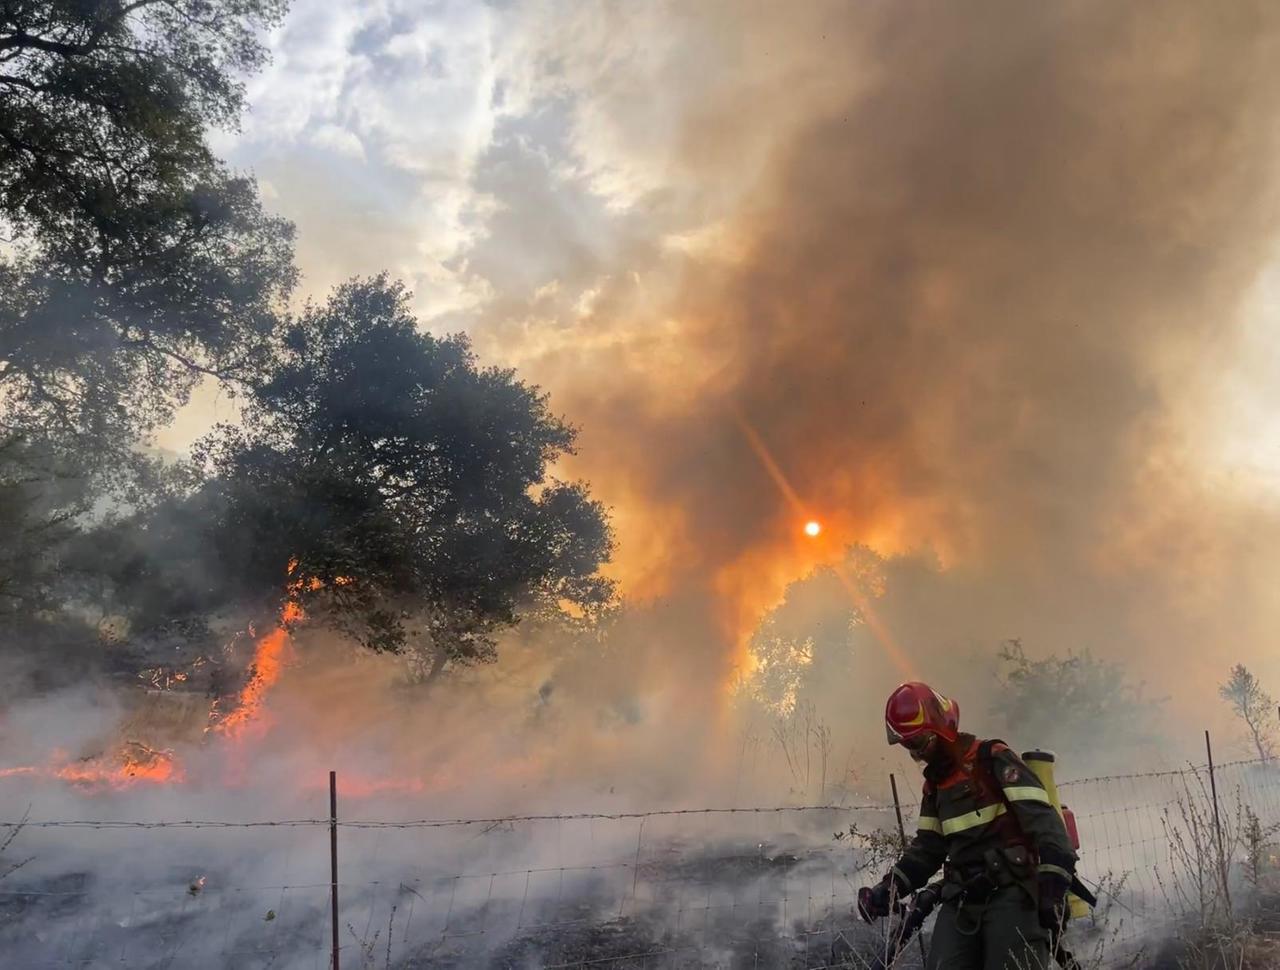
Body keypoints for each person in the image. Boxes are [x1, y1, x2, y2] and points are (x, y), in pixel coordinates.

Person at [857, 682, 1078, 970]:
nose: (916, 753)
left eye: (917, 742)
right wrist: (886, 891)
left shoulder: (993, 759)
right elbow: (926, 850)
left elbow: (1044, 822)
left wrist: (1052, 889)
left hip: (1012, 891)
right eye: (908, 746)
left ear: (940, 728)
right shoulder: (934, 787)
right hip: (961, 896)